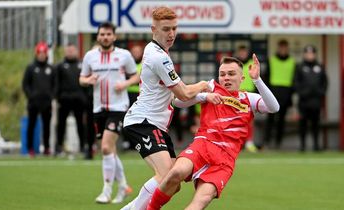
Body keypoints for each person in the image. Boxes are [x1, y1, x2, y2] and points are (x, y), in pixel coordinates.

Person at [147, 55, 279, 210]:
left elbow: (274, 107)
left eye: (231, 74)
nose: (226, 78)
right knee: (176, 172)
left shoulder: (248, 98)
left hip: (225, 159)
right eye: (222, 74)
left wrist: (257, 80)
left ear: (242, 78)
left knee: (201, 201)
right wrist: (204, 96)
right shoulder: (210, 87)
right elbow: (177, 101)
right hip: (203, 145)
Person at [121, 7, 210, 210]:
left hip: (156, 125)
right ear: (154, 29)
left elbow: (176, 99)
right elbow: (184, 93)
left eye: (174, 29)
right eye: (166, 29)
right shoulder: (158, 56)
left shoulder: (159, 52)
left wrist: (203, 96)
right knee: (166, 177)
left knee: (173, 184)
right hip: (143, 122)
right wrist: (205, 84)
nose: (171, 34)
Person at [79, 21, 139, 204]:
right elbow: (81, 78)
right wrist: (88, 80)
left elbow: (136, 75)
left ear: (114, 36)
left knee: (105, 147)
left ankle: (106, 190)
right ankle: (123, 186)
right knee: (110, 150)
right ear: (98, 36)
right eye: (102, 34)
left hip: (118, 107)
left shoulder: (124, 55)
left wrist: (126, 84)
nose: (105, 37)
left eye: (108, 34)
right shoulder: (90, 56)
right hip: (98, 108)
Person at [54, 44, 94, 159]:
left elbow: (86, 82)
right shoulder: (60, 66)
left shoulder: (82, 65)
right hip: (64, 100)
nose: (70, 52)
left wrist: (85, 97)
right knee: (61, 124)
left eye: (72, 50)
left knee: (80, 124)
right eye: (68, 50)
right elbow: (56, 83)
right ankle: (59, 147)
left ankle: (82, 146)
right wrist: (57, 97)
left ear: (77, 51)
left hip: (79, 100)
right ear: (65, 52)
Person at [22, 41, 56, 157]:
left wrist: (51, 96)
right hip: (33, 103)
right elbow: (25, 84)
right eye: (39, 53)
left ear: (46, 54)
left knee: (47, 127)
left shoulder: (51, 68)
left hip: (47, 103)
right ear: (36, 54)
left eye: (43, 53)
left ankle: (46, 148)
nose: (41, 55)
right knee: (31, 125)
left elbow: (55, 84)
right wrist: (31, 96)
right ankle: (30, 148)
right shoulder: (31, 68)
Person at [263, 39, 296, 149]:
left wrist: (291, 95)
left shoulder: (292, 62)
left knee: (281, 121)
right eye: (281, 47)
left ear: (287, 48)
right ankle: (267, 142)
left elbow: (294, 80)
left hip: (285, 94)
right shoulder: (271, 60)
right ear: (278, 48)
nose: (283, 50)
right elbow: (266, 78)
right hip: (273, 93)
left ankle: (278, 143)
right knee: (270, 120)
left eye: (284, 47)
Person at [294, 45, 328, 152]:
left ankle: (316, 146)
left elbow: (325, 82)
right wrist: (302, 93)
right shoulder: (300, 67)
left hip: (316, 101)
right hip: (303, 101)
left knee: (316, 124)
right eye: (307, 53)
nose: (310, 55)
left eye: (312, 53)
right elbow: (296, 82)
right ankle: (303, 146)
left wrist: (320, 92)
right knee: (302, 124)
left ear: (315, 54)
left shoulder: (320, 66)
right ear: (304, 54)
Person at [236, 45, 257, 153]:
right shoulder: (235, 65)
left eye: (244, 52)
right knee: (236, 120)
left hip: (249, 95)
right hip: (237, 95)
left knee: (249, 120)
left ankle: (249, 143)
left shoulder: (251, 64)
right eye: (241, 52)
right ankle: (238, 143)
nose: (243, 54)